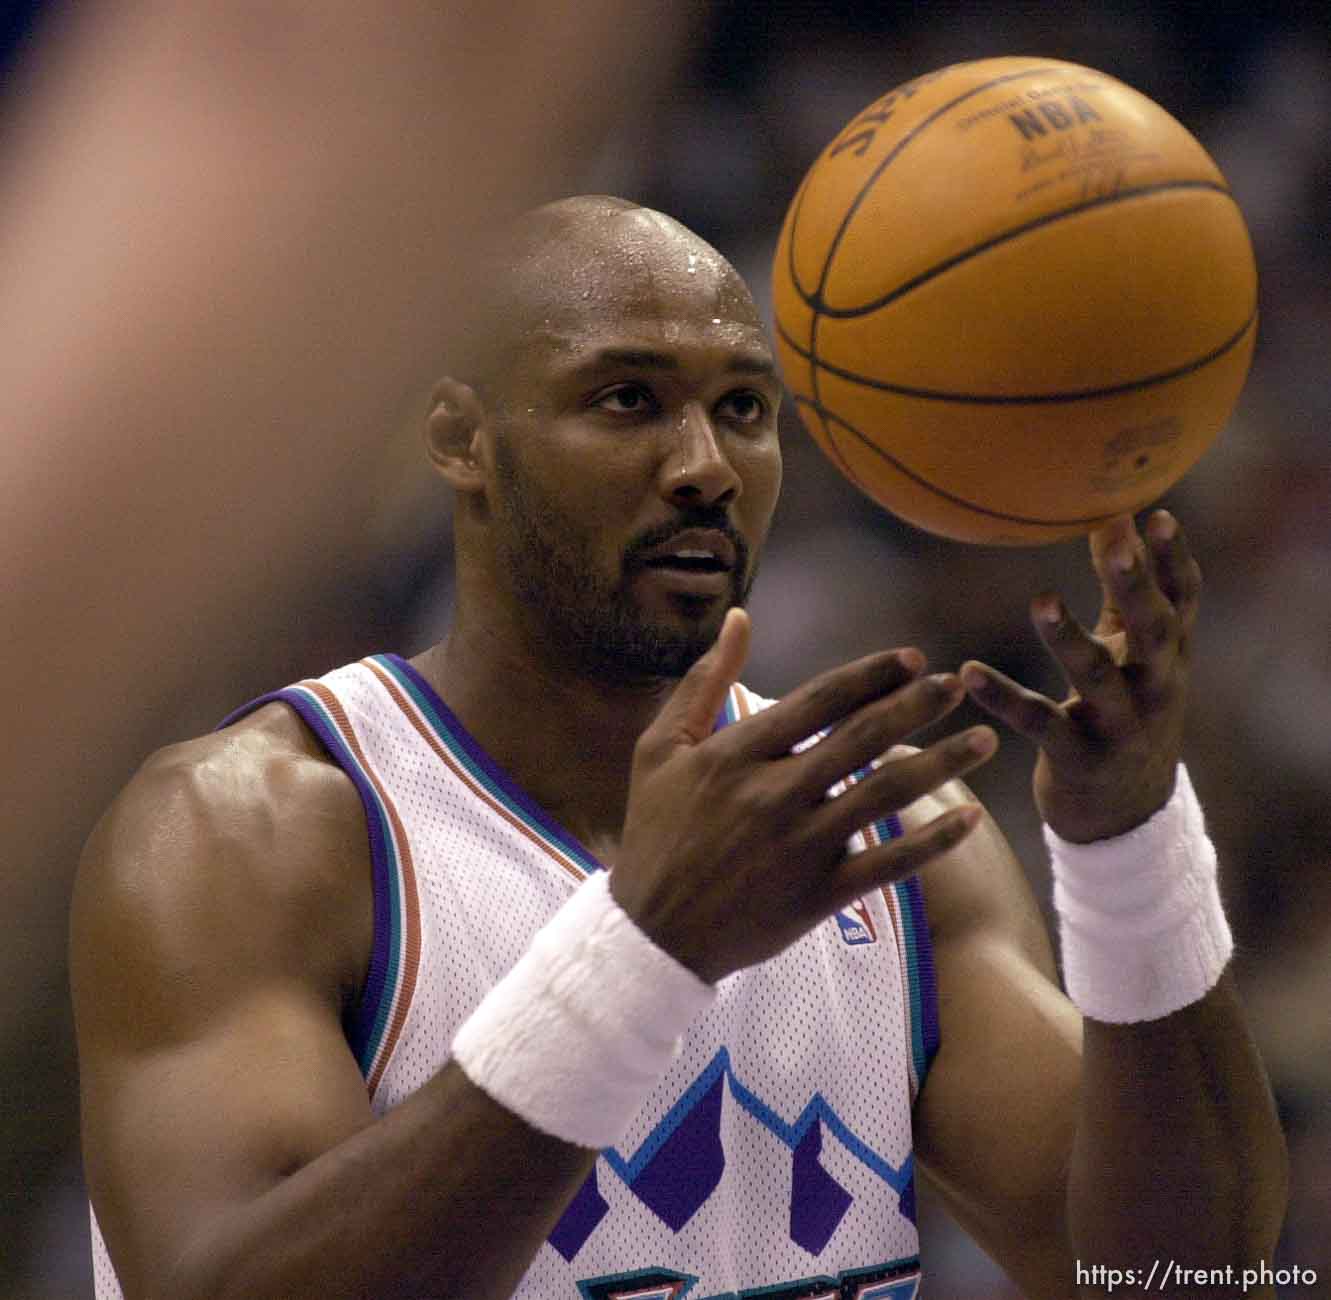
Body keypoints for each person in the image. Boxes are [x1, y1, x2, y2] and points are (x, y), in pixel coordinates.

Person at [71, 195, 1287, 1300]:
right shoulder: (255, 829)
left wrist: (1129, 848)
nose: (705, 467)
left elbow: (1177, 1278)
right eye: (627, 400)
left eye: (743, 409)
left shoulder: (882, 838)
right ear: (458, 439)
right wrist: (643, 951)